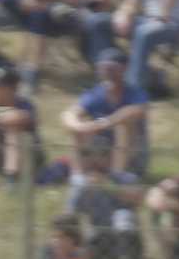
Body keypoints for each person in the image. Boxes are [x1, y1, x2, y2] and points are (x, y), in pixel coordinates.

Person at [63, 50, 151, 181]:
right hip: (104, 151)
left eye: (112, 68)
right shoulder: (95, 94)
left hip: (133, 154)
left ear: (124, 69)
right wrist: (80, 127)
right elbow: (69, 114)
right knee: (77, 129)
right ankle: (78, 176)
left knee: (123, 125)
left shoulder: (135, 93)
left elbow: (137, 111)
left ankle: (119, 174)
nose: (107, 72)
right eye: (103, 68)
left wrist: (104, 123)